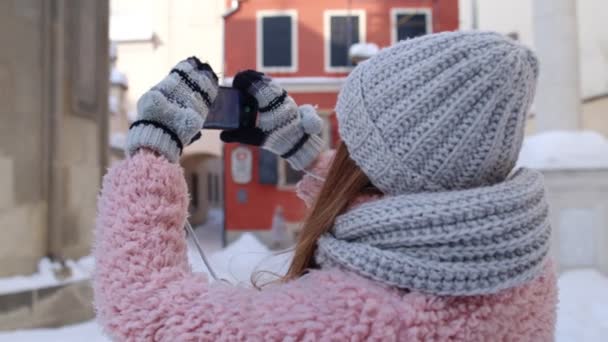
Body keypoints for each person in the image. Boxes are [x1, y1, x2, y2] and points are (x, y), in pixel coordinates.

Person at [94, 31, 557, 341]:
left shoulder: (355, 320)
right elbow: (411, 218)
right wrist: (308, 156)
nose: (344, 145)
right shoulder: (520, 269)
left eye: (353, 139)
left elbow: (146, 314)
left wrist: (150, 156)